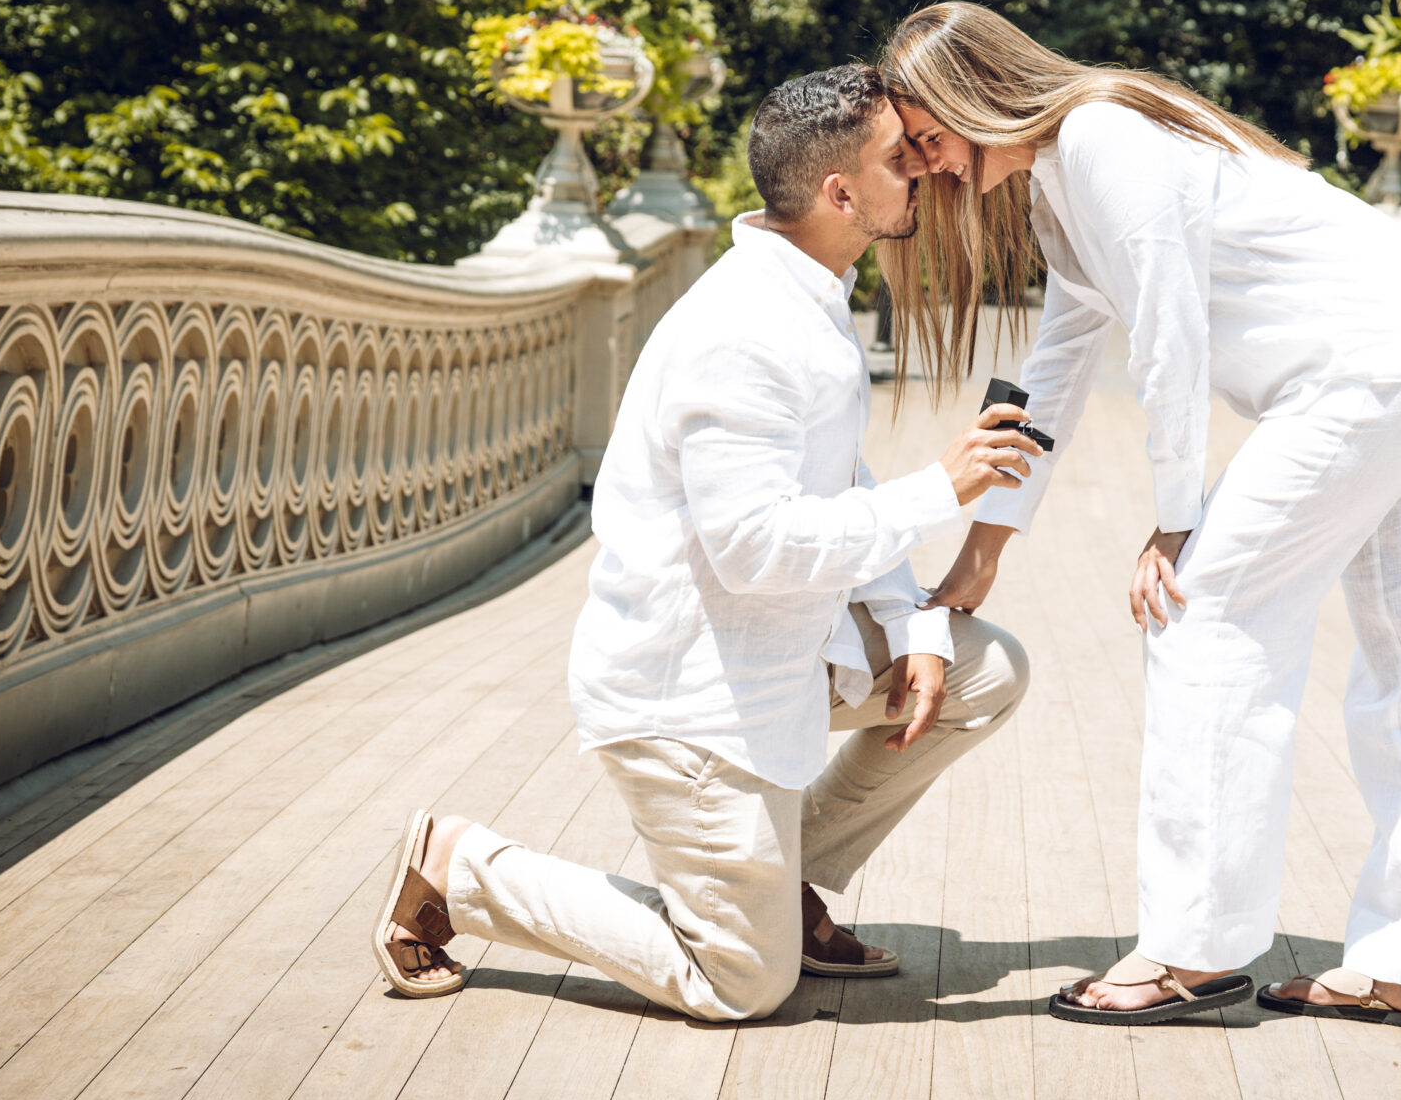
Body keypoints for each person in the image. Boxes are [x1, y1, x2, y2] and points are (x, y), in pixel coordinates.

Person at [371, 65, 1037, 1020]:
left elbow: (837, 484)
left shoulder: (810, 293)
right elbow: (755, 552)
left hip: (784, 651)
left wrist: (911, 620)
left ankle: (781, 884)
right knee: (742, 982)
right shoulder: (746, 334)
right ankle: (458, 865)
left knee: (981, 668)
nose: (924, 172)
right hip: (692, 700)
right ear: (837, 193)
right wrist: (941, 489)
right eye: (901, 159)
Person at [877, 3, 1401, 1031]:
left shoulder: (1104, 139)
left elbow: (1169, 337)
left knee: (1200, 614)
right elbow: (1059, 367)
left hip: (1367, 375)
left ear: (976, 96)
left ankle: (1189, 953)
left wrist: (1176, 520)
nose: (931, 165)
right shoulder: (1061, 179)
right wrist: (986, 550)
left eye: (931, 136)